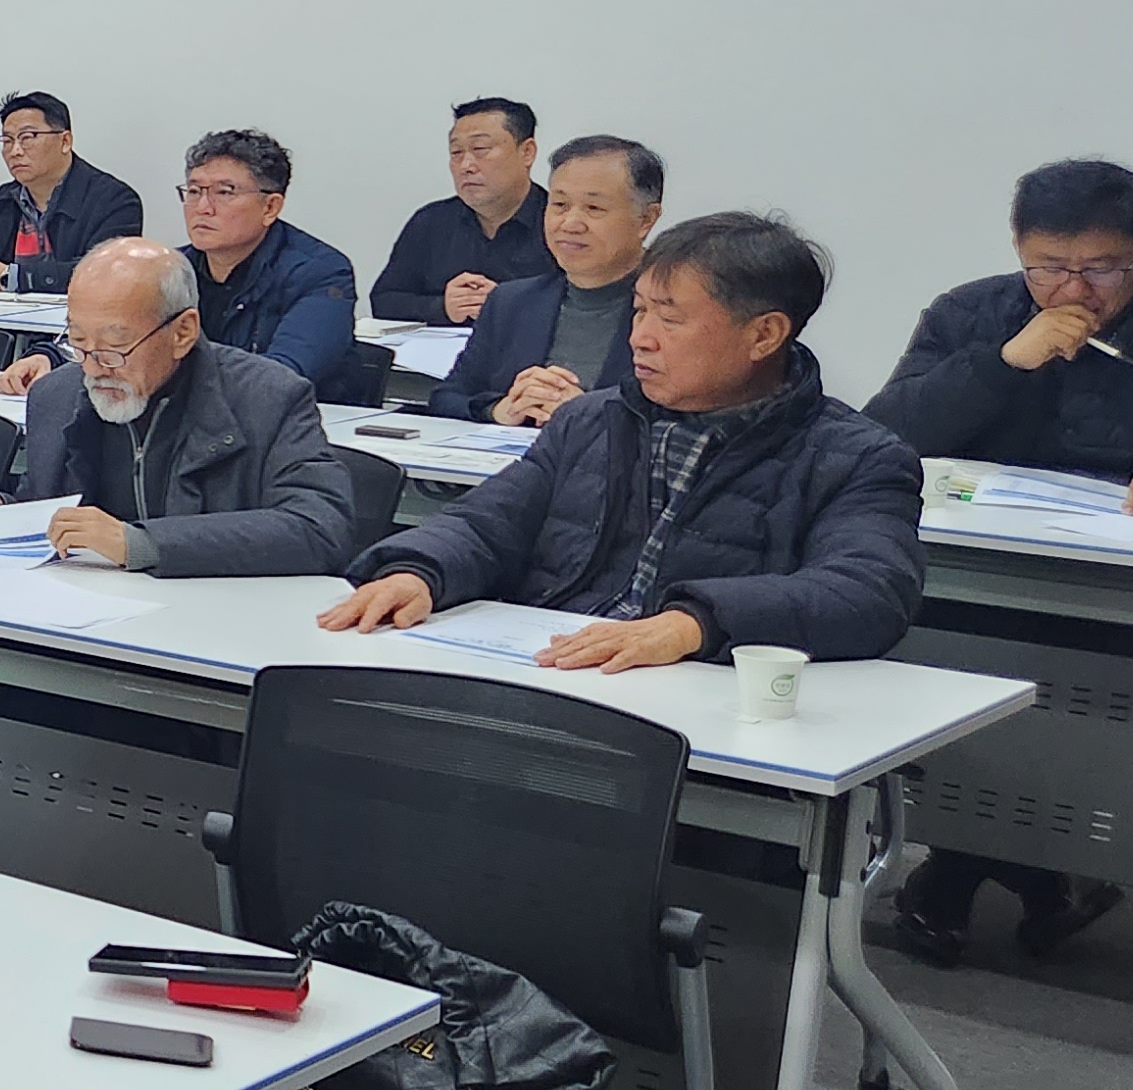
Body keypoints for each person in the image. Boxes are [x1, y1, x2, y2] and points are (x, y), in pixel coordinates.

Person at [868, 158, 1133, 964]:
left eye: (1103, 269)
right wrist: (1000, 363)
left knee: (1103, 692)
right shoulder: (969, 314)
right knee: (942, 648)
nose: (1074, 291)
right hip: (987, 585)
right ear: (1019, 247)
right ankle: (990, 857)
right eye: (1048, 267)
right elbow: (883, 436)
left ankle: (1026, 862)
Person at [318, 211, 923, 671]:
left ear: (764, 335)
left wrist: (693, 624)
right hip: (551, 667)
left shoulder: (857, 457)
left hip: (691, 690)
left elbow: (867, 593)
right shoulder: (593, 420)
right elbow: (485, 524)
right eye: (639, 312)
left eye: (670, 318)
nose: (641, 338)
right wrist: (417, 572)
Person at [0, 238, 351, 575]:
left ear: (182, 332)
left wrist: (143, 543)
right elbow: (47, 506)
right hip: (84, 613)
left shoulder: (268, 397)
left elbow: (320, 527)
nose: (94, 368)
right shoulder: (56, 395)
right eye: (79, 342)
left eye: (115, 347)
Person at [3, 130, 357, 395]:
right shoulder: (170, 268)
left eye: (224, 192)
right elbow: (111, 332)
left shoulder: (320, 273)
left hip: (284, 434)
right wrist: (50, 358)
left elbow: (282, 377)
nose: (203, 207)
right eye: (194, 191)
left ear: (270, 207)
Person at [433, 137, 665, 426]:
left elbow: (688, 420)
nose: (570, 224)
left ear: (646, 219)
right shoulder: (511, 301)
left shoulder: (675, 310)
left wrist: (586, 413)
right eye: (560, 205)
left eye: (594, 208)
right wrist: (498, 409)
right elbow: (446, 398)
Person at [0, 91, 143, 295]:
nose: (15, 151)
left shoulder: (115, 200)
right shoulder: (3, 200)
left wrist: (10, 277)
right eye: (7, 141)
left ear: (65, 141)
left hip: (79, 323)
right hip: (6, 322)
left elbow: (106, 274)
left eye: (27, 137)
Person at [372, 98, 556, 322]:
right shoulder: (431, 222)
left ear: (527, 152)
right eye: (456, 152)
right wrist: (442, 307)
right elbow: (384, 300)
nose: (466, 166)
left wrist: (507, 304)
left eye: (480, 149)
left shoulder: (560, 223)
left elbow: (585, 308)